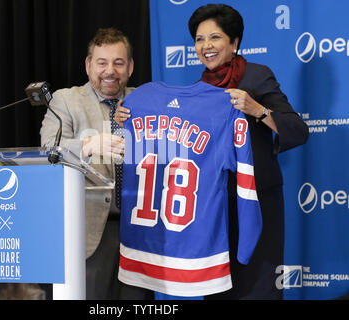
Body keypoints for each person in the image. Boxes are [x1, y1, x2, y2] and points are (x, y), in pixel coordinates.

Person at [115, 4, 309, 300]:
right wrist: (127, 123)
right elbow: (177, 146)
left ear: (234, 43)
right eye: (199, 39)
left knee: (258, 286)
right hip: (212, 208)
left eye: (214, 38)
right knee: (218, 288)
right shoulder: (200, 90)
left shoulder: (257, 77)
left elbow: (298, 130)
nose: (205, 46)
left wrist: (257, 110)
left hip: (257, 202)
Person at [40, 28, 152, 300]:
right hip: (89, 231)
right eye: (102, 63)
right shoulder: (65, 100)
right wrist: (88, 146)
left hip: (140, 232)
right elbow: (47, 153)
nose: (109, 71)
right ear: (89, 65)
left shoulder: (146, 101)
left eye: (118, 62)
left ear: (131, 67)